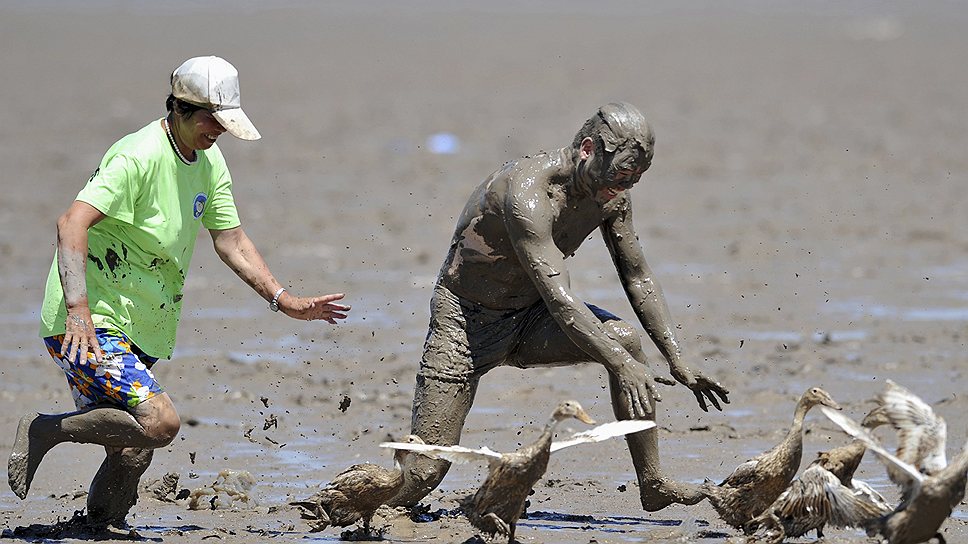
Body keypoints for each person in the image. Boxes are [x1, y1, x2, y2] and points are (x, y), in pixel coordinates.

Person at [7, 56, 350, 526]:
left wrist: (284, 299)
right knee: (159, 423)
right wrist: (78, 310)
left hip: (142, 323)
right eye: (214, 120)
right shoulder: (138, 156)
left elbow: (230, 239)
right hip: (89, 321)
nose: (221, 131)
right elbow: (71, 223)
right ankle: (45, 431)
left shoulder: (208, 162)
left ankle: (100, 526)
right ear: (182, 109)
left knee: (131, 449)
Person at [390, 102, 729, 511]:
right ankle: (365, 508)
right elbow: (561, 300)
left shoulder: (611, 197)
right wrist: (622, 364)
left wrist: (676, 359)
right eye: (621, 174)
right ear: (588, 149)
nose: (626, 186)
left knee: (623, 338)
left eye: (638, 177)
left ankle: (652, 483)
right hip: (465, 322)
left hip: (531, 318)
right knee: (426, 472)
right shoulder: (527, 194)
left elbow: (637, 276)